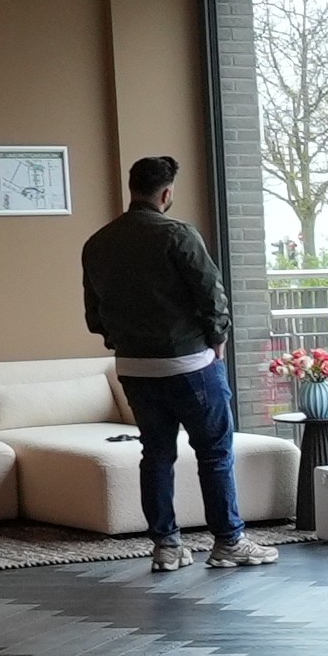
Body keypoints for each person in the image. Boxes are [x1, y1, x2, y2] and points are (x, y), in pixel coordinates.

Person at [81, 155, 271, 571]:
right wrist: (218, 338)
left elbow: (94, 315)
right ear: (166, 193)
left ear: (133, 188)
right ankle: (228, 542)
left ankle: (166, 547)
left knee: (156, 454)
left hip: (133, 368)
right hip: (191, 365)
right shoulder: (178, 234)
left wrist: (123, 342)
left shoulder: (97, 243)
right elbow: (211, 293)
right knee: (214, 453)